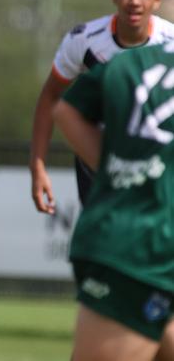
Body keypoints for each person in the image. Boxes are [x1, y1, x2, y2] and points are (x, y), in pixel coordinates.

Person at [53, 41, 174, 361]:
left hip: (125, 235)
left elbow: (67, 110)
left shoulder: (132, 62)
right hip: (146, 247)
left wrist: (114, 177)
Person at [29, 0, 174, 214]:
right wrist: (37, 165)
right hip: (98, 166)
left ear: (157, 0)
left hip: (158, 167)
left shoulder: (170, 43)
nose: (134, 1)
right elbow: (52, 97)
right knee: (106, 240)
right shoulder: (84, 39)